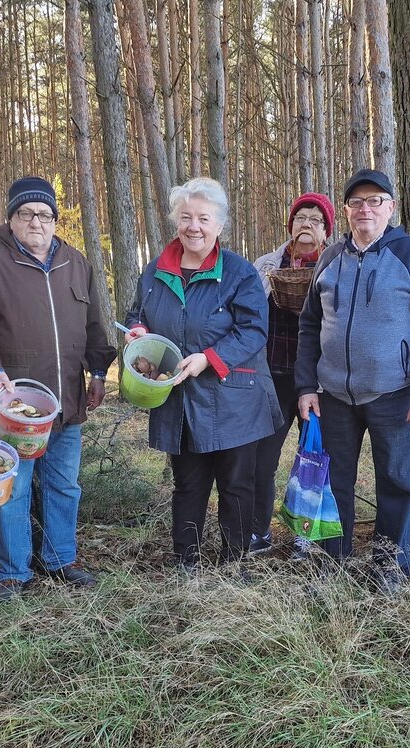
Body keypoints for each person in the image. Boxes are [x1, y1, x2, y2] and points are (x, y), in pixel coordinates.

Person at [0, 177, 118, 600]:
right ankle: (12, 573)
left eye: (44, 215)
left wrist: (98, 373)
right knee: (16, 487)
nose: (36, 223)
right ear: (11, 219)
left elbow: (95, 324)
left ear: (55, 221)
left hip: (68, 400)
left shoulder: (76, 264)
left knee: (64, 484)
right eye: (26, 214)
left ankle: (61, 558)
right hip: (18, 407)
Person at [295, 169, 410, 592]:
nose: (366, 209)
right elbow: (310, 326)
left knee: (396, 482)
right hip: (334, 396)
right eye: (357, 203)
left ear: (391, 208)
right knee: (334, 481)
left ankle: (390, 566)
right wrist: (306, 386)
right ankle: (332, 561)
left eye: (375, 201)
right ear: (345, 211)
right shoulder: (329, 259)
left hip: (395, 395)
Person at [124, 177, 280, 570]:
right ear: (176, 221)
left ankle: (234, 563)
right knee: (189, 484)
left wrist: (209, 357)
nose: (194, 226)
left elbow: (254, 330)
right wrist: (137, 331)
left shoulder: (240, 274)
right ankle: (186, 561)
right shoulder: (156, 270)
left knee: (237, 484)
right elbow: (136, 314)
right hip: (179, 398)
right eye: (186, 217)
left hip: (234, 397)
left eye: (203, 218)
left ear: (219, 225)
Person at [250, 192, 335, 555]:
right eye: (301, 217)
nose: (307, 224)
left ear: (327, 231)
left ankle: (307, 533)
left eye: (316, 220)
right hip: (272, 377)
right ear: (290, 224)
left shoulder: (336, 265)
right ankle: (258, 531)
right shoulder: (266, 264)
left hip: (318, 383)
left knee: (313, 457)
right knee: (262, 459)